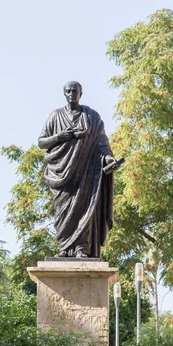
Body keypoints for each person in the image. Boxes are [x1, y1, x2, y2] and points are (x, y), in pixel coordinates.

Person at [38, 81, 116, 258]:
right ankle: (64, 248)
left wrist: (109, 159)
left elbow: (102, 143)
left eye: (75, 91)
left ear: (81, 93)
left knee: (85, 210)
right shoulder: (55, 116)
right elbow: (41, 142)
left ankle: (82, 248)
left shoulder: (92, 117)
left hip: (86, 174)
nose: (71, 93)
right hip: (61, 174)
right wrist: (59, 137)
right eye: (68, 91)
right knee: (63, 212)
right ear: (64, 94)